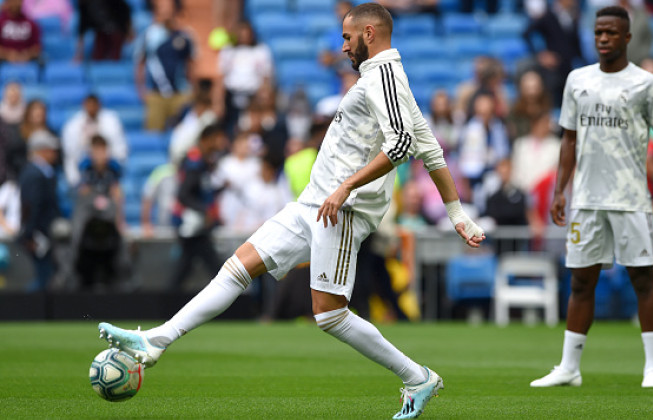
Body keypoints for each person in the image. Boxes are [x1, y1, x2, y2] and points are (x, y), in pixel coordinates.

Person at [97, 4, 485, 419]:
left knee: (330, 315)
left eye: (346, 38)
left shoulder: (385, 78)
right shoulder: (382, 79)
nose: (342, 47)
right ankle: (156, 342)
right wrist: (457, 214)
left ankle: (417, 377)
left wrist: (347, 186)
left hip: (342, 209)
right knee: (238, 267)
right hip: (314, 203)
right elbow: (430, 146)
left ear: (368, 33)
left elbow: (405, 144)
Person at [530, 6, 653, 389]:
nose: (603, 38)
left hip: (631, 198)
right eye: (598, 32)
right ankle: (569, 367)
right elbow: (568, 138)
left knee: (643, 278)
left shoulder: (645, 83)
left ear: (627, 38)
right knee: (581, 283)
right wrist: (559, 191)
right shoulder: (577, 80)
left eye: (611, 33)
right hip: (586, 199)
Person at [169, 124, 226, 289]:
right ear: (206, 140)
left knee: (185, 268)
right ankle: (230, 301)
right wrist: (205, 210)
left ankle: (166, 304)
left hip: (196, 225)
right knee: (213, 267)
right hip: (190, 225)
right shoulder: (195, 162)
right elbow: (184, 194)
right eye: (216, 139)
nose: (220, 143)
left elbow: (200, 190)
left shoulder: (202, 161)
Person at [72, 135, 125, 291]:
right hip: (89, 208)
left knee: (120, 236)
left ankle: (123, 277)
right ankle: (72, 273)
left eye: (103, 151)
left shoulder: (113, 169)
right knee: (77, 232)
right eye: (97, 151)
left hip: (107, 209)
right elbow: (83, 193)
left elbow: (116, 194)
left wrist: (120, 221)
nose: (100, 155)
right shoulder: (85, 167)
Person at [134, 1, 195, 131]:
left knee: (184, 132)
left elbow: (191, 63)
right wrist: (141, 89)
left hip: (180, 93)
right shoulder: (149, 35)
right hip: (156, 94)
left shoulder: (185, 35)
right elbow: (140, 62)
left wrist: (192, 88)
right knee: (153, 133)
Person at [18, 129, 60, 291]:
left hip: (42, 231)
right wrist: (30, 234)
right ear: (41, 151)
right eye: (50, 149)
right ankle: (22, 308)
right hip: (38, 233)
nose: (54, 153)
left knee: (45, 276)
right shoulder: (34, 174)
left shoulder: (41, 173)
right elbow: (31, 206)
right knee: (42, 277)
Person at [61, 94, 128, 186]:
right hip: (83, 165)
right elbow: (71, 153)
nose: (92, 108)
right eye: (89, 105)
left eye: (94, 105)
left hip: (108, 165)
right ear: (84, 105)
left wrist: (102, 157)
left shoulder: (112, 121)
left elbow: (120, 149)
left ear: (99, 105)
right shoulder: (73, 125)